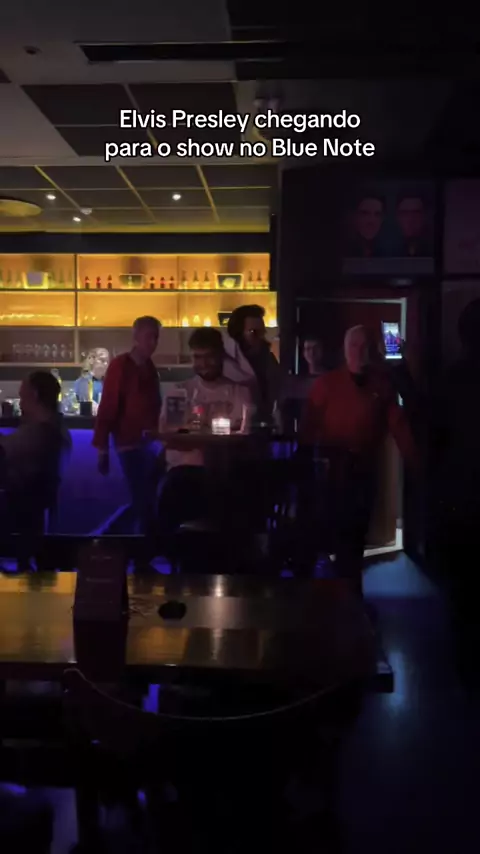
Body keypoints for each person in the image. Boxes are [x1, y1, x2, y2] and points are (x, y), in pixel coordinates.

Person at [300, 325, 418, 595]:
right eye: (354, 345)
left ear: (373, 350)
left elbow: (399, 425)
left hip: (363, 471)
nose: (359, 351)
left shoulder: (382, 385)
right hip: (330, 474)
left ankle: (350, 597)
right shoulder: (326, 385)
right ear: (345, 349)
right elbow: (308, 429)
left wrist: (415, 462)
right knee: (327, 537)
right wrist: (305, 466)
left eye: (365, 346)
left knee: (355, 540)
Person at [158, 327, 254, 534]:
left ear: (221, 356)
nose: (203, 363)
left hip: (226, 473)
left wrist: (194, 437)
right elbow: (170, 438)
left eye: (209, 356)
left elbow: (244, 439)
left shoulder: (239, 393)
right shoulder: (180, 392)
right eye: (198, 357)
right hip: (185, 473)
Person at [430, 300, 480, 696]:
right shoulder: (452, 379)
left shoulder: (452, 379)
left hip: (461, 501)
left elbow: (436, 441)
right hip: (463, 499)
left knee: (462, 594)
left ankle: (465, 673)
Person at [93, 316, 162, 540]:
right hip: (129, 442)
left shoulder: (148, 367)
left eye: (155, 337)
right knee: (144, 500)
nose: (153, 342)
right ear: (136, 337)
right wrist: (102, 449)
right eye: (148, 337)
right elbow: (108, 407)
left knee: (146, 499)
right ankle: (109, 538)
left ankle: (113, 538)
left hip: (148, 442)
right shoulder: (121, 366)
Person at [0, 370, 71, 568]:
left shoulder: (43, 431)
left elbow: (8, 449)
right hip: (34, 506)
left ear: (35, 395)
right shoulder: (54, 426)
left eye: (23, 397)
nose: (21, 404)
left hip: (24, 508)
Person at [223, 304, 283, 421]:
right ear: (238, 334)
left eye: (262, 332)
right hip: (233, 423)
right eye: (253, 332)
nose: (260, 337)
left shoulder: (268, 359)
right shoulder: (226, 361)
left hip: (264, 422)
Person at [395, 193, 431, 257]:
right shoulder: (390, 250)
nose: (410, 219)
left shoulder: (433, 247)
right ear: (398, 217)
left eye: (416, 213)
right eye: (405, 213)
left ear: (425, 216)